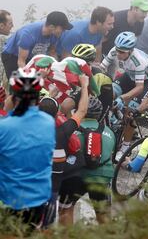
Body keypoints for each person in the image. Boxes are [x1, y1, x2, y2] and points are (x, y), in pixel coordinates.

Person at [0, 68, 55, 229]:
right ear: (38, 98)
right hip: (38, 198)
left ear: (13, 97)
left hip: (9, 198)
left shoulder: (4, 126)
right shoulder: (48, 123)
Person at [39, 75, 89, 225]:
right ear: (56, 114)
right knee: (55, 216)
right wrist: (84, 86)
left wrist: (48, 94)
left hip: (37, 180)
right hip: (57, 181)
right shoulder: (63, 130)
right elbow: (81, 111)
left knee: (35, 221)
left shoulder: (30, 128)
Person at [58, 96, 116, 225]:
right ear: (99, 113)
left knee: (65, 210)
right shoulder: (109, 132)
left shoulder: (71, 129)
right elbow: (110, 155)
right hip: (101, 176)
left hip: (75, 176)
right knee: (103, 213)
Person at [1, 11, 72, 79]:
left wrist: (58, 69)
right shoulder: (28, 34)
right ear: (52, 27)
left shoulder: (55, 35)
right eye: (62, 28)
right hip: (13, 55)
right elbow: (21, 62)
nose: (64, 31)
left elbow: (52, 52)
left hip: (30, 56)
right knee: (19, 85)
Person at [71, 43, 113, 121]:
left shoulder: (98, 76)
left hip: (102, 101)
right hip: (88, 100)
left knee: (98, 123)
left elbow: (88, 97)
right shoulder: (74, 70)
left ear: (87, 63)